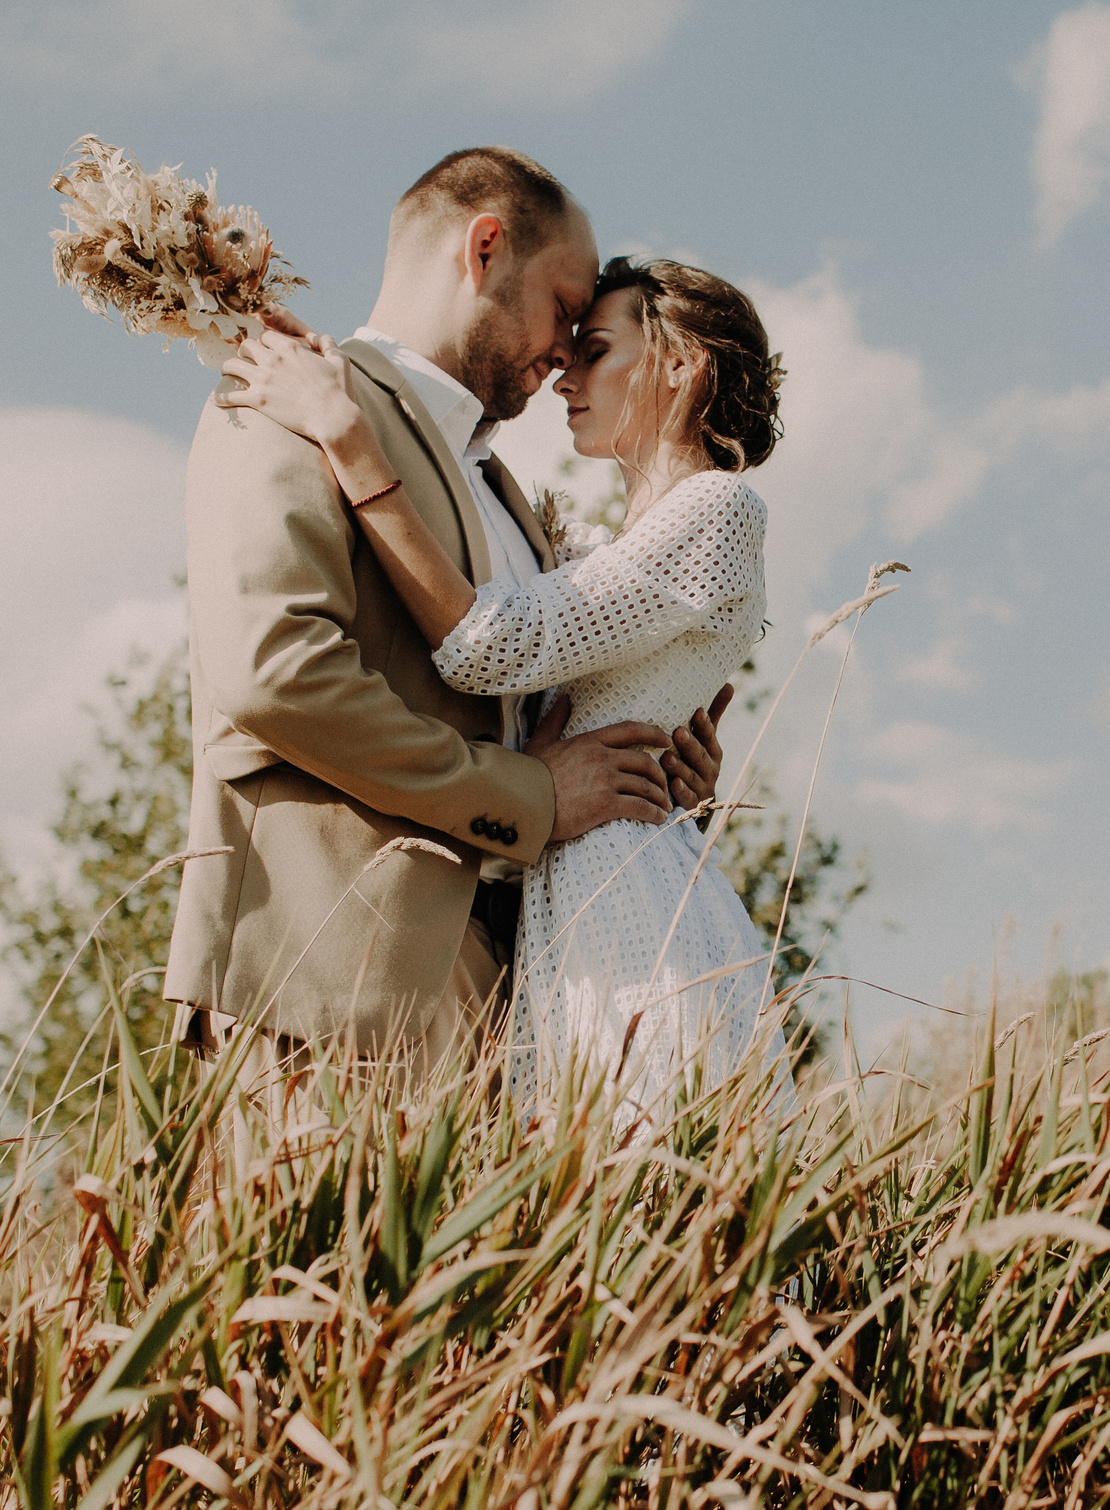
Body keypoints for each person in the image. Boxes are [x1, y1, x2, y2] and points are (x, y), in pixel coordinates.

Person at [164, 149, 728, 1070]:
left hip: (524, 1005)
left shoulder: (501, 489)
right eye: (562, 306)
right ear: (486, 248)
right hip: (335, 985)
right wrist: (534, 798)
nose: (566, 352)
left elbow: (542, 729)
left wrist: (654, 771)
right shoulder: (287, 394)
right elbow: (275, 673)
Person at [217, 253, 789, 1119]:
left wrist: (348, 435)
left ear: (682, 362)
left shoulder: (717, 510)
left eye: (594, 349)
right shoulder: (610, 540)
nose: (565, 375)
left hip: (620, 892)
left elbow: (493, 646)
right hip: (560, 890)